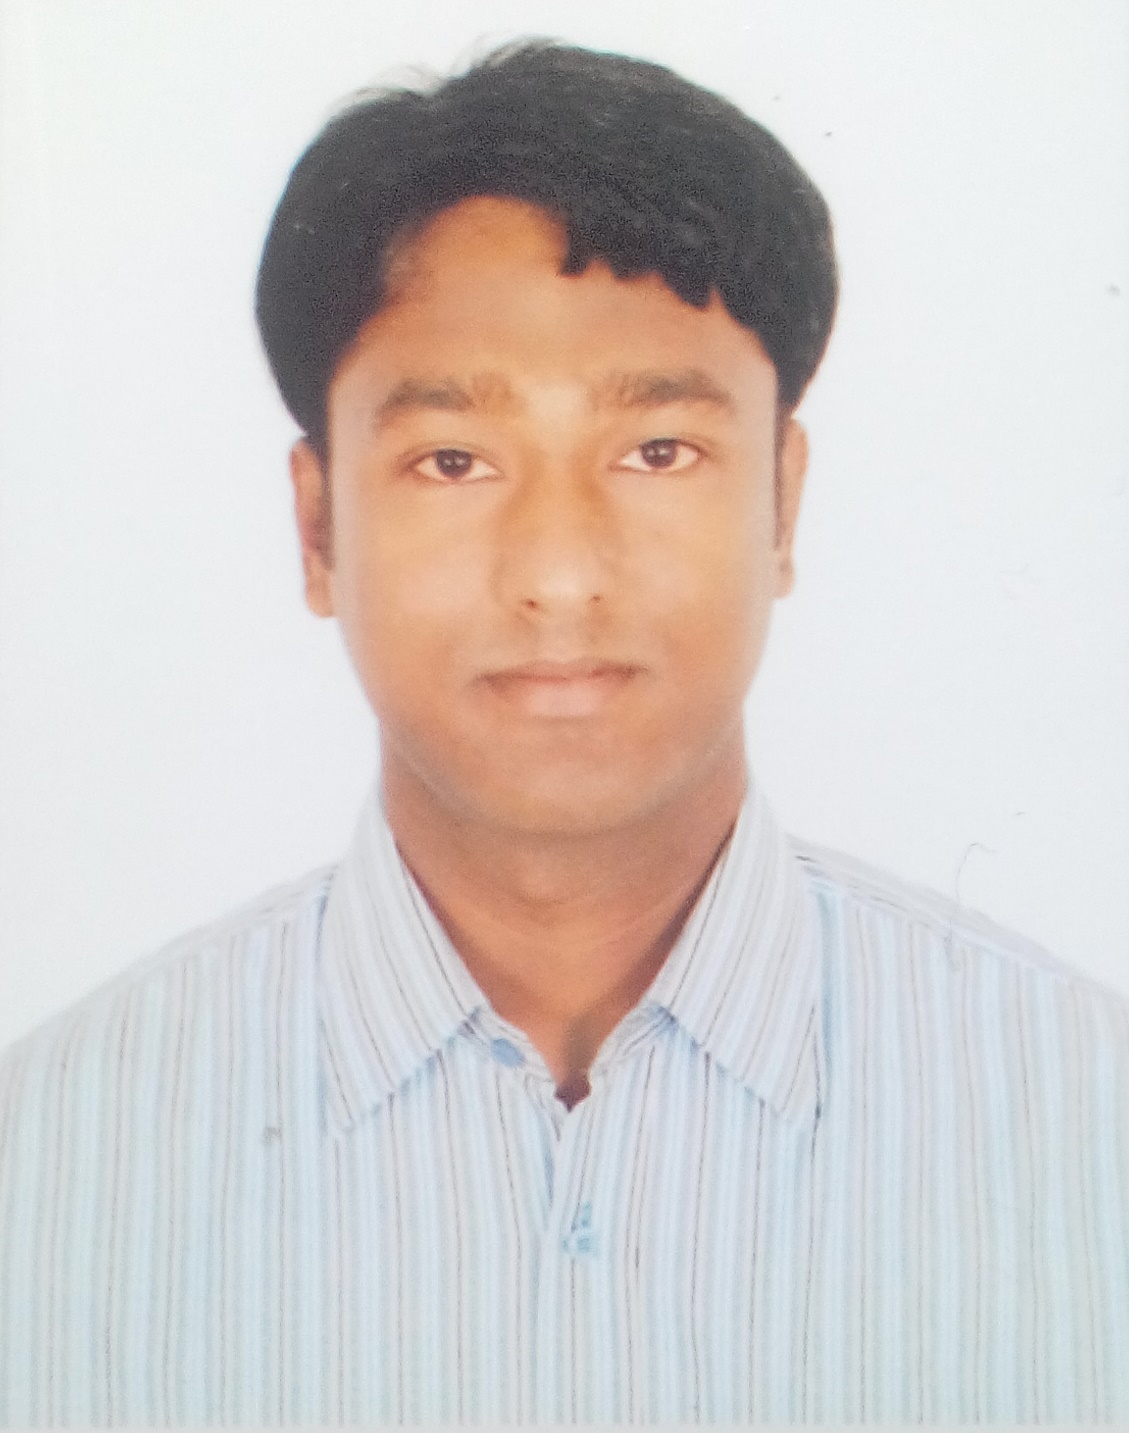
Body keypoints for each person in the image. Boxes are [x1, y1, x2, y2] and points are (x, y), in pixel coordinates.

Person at [0, 39, 1125, 1426]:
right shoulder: (47, 1161)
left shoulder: (1087, 1123)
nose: (558, 574)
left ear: (781, 503)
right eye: (452, 460)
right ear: (318, 526)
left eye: (656, 451)